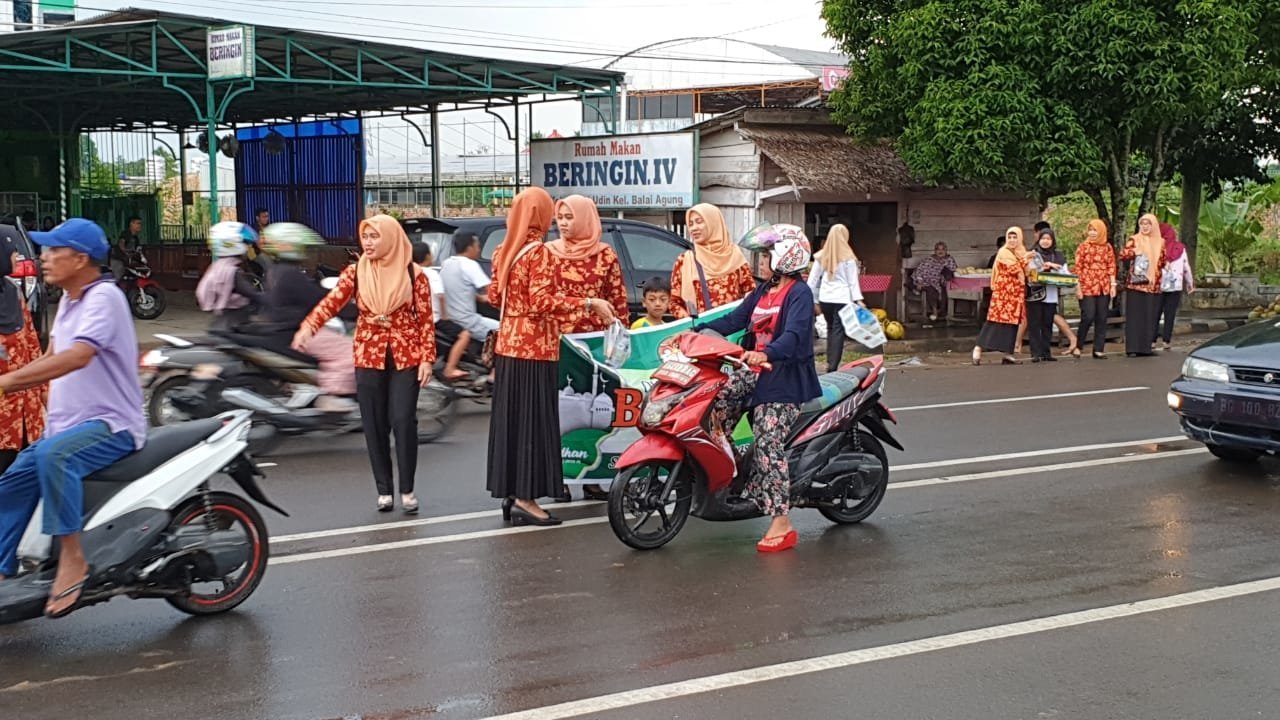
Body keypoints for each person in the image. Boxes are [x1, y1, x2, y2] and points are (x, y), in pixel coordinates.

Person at [0, 219, 146, 617]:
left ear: (80, 259)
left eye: (53, 251)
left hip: (111, 425)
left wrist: (7, 381)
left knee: (55, 456)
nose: (43, 258)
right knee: (12, 481)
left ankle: (73, 558)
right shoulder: (69, 299)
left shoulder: (104, 298)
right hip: (67, 428)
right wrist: (10, 384)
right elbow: (52, 356)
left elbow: (78, 355)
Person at [486, 187, 614, 527]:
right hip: (535, 348)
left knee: (513, 423)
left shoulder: (503, 249)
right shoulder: (538, 253)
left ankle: (512, 492)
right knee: (532, 424)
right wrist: (588, 303)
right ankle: (526, 499)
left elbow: (494, 295)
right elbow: (541, 302)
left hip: (508, 346)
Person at [294, 215, 436, 514]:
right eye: (366, 237)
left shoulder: (415, 275)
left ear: (391, 238)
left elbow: (424, 319)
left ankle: (407, 489)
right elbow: (331, 302)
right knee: (373, 423)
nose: (368, 243)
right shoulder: (356, 272)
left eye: (375, 237)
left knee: (403, 420)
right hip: (369, 353)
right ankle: (384, 490)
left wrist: (427, 358)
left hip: (406, 353)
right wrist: (309, 326)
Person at [699, 225, 820, 553]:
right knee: (711, 409)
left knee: (768, 441)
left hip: (785, 378)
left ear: (786, 257)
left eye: (766, 256)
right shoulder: (764, 290)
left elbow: (794, 336)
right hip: (754, 372)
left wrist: (766, 353)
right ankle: (739, 474)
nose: (761, 262)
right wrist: (694, 330)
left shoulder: (799, 293)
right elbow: (734, 320)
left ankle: (782, 520)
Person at [547, 194, 628, 502]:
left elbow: (617, 300)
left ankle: (593, 477)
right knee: (560, 412)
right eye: (560, 218)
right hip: (560, 345)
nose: (564, 224)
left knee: (596, 413)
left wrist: (621, 337)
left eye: (570, 217)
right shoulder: (548, 253)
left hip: (595, 348)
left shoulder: (605, 255)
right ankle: (560, 479)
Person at [259, 222, 355, 407]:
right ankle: (336, 399)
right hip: (299, 332)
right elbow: (320, 301)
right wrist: (356, 310)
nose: (306, 252)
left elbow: (315, 294)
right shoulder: (290, 275)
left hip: (284, 330)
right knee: (350, 353)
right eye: (303, 247)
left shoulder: (276, 271)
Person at [0, 228, 46, 474]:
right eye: (12, 251)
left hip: (27, 417)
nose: (17, 257)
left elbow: (32, 347)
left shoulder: (13, 293)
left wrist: (45, 397)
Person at [669, 203, 755, 319]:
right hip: (700, 329)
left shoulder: (735, 256)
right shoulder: (685, 260)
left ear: (713, 222)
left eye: (699, 222)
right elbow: (674, 302)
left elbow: (751, 295)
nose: (693, 228)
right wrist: (692, 323)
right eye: (691, 224)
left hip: (732, 328)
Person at [972, 227, 1032, 365]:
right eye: (1009, 237)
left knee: (1012, 324)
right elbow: (1012, 269)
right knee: (995, 322)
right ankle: (978, 348)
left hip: (1016, 294)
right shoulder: (1003, 252)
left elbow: (1027, 271)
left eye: (1015, 237)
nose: (1012, 240)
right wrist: (1025, 260)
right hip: (1003, 293)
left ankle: (1008, 354)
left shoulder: (1021, 251)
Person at [807, 224, 863, 373]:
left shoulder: (821, 256)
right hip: (842, 299)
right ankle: (833, 365)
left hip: (825, 298)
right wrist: (858, 299)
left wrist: (810, 299)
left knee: (830, 328)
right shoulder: (849, 257)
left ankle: (829, 361)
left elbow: (812, 280)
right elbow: (852, 282)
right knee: (838, 330)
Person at [195, 221, 262, 333]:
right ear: (234, 245)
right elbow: (253, 294)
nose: (248, 248)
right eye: (245, 244)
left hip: (221, 322)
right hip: (235, 326)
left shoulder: (217, 267)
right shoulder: (232, 272)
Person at [1119, 213, 1166, 357]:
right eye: (1142, 224)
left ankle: (1146, 348)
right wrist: (1134, 252)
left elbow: (1163, 261)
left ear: (1154, 225)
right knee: (1135, 317)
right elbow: (1122, 254)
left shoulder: (1161, 242)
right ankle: (1132, 348)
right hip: (1137, 285)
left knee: (1149, 317)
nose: (1145, 227)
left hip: (1153, 285)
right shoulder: (1135, 239)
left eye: (1148, 224)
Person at [1073, 219, 1118, 359]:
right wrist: (1078, 288)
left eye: (1095, 230)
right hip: (1087, 285)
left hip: (1103, 285)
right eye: (1090, 230)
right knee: (1088, 315)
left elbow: (1111, 266)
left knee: (1102, 317)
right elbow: (1077, 268)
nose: (1092, 233)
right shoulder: (1083, 247)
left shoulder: (1107, 247)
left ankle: (1098, 349)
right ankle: (1079, 345)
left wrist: (1112, 285)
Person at [1026, 229, 1068, 362]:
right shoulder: (1033, 254)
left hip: (1050, 295)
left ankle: (1046, 352)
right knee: (1034, 324)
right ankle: (1035, 353)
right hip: (1035, 294)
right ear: (1038, 240)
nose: (1045, 241)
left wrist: (1055, 268)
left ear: (1053, 241)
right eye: (1043, 238)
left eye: (1048, 239)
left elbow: (1065, 273)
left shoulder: (1058, 255)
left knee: (1047, 324)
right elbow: (1029, 272)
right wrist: (1043, 267)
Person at [1157, 222, 1195, 351]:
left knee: (1156, 313)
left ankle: (1152, 340)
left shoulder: (1157, 247)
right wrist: (1190, 283)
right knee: (1170, 313)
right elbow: (1186, 267)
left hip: (1159, 285)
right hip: (1175, 286)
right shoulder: (1180, 248)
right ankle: (1166, 341)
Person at [912, 242, 957, 326]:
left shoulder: (949, 259)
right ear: (935, 250)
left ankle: (942, 313)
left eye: (943, 249)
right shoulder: (929, 260)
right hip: (926, 281)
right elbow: (919, 271)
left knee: (945, 290)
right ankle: (934, 311)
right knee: (931, 289)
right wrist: (920, 282)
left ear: (946, 250)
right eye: (938, 249)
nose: (940, 251)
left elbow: (953, 271)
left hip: (940, 282)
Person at [110, 216, 142, 282]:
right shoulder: (126, 233)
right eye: (138, 223)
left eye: (140, 224)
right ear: (131, 224)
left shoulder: (136, 238)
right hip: (118, 259)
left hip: (126, 261)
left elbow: (137, 250)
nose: (140, 226)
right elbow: (121, 244)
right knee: (118, 279)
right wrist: (126, 253)